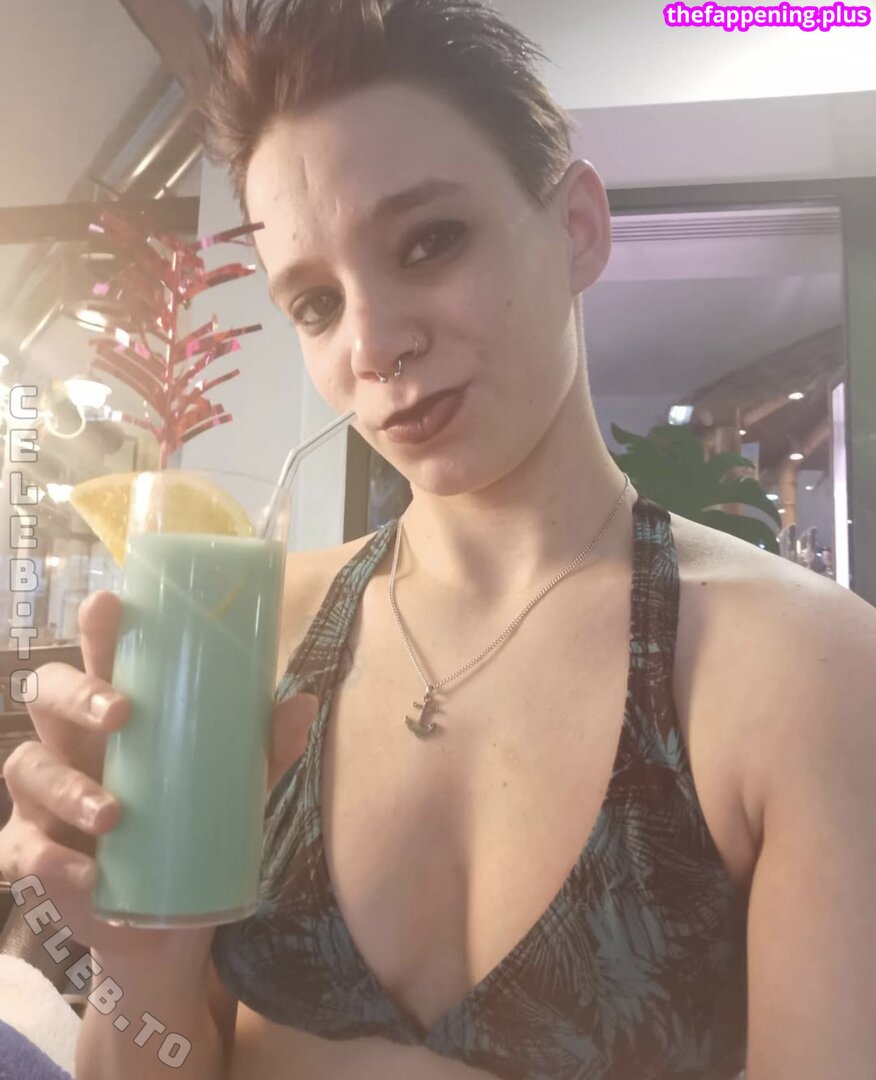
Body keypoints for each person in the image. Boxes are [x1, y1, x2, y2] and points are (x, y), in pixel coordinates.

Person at [2, 1, 875, 1077]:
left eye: (430, 241)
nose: (372, 344)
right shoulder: (251, 636)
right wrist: (139, 964)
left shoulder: (805, 673)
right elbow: (160, 1050)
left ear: (577, 228)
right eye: (315, 303)